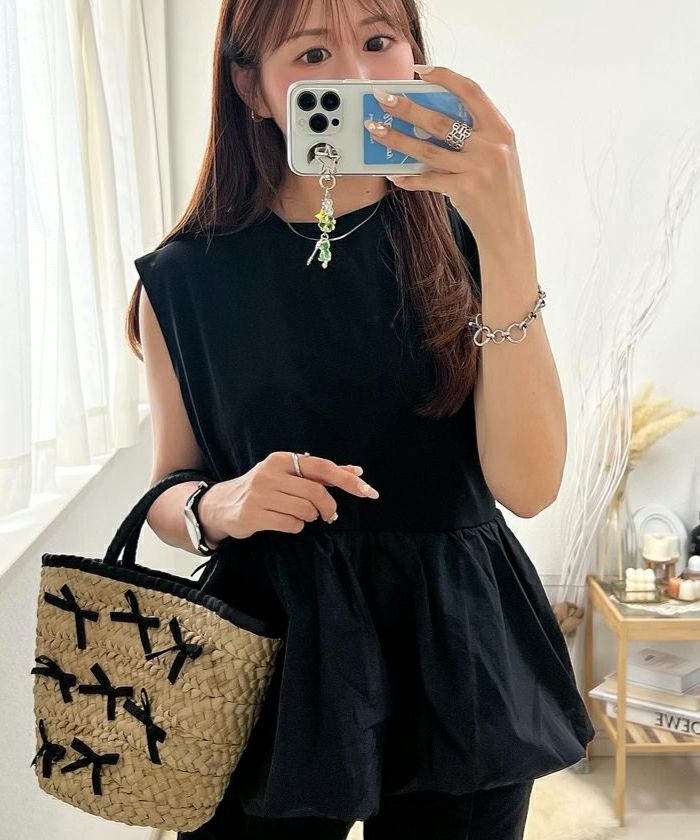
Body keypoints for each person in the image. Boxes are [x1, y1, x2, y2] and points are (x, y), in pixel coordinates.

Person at [127, 0, 596, 837]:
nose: (353, 76)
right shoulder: (182, 278)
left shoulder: (468, 236)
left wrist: (507, 230)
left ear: (416, 56)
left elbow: (528, 487)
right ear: (253, 89)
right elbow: (170, 486)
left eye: (379, 41)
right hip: (269, 654)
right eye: (311, 55)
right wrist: (221, 505)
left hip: (456, 647)